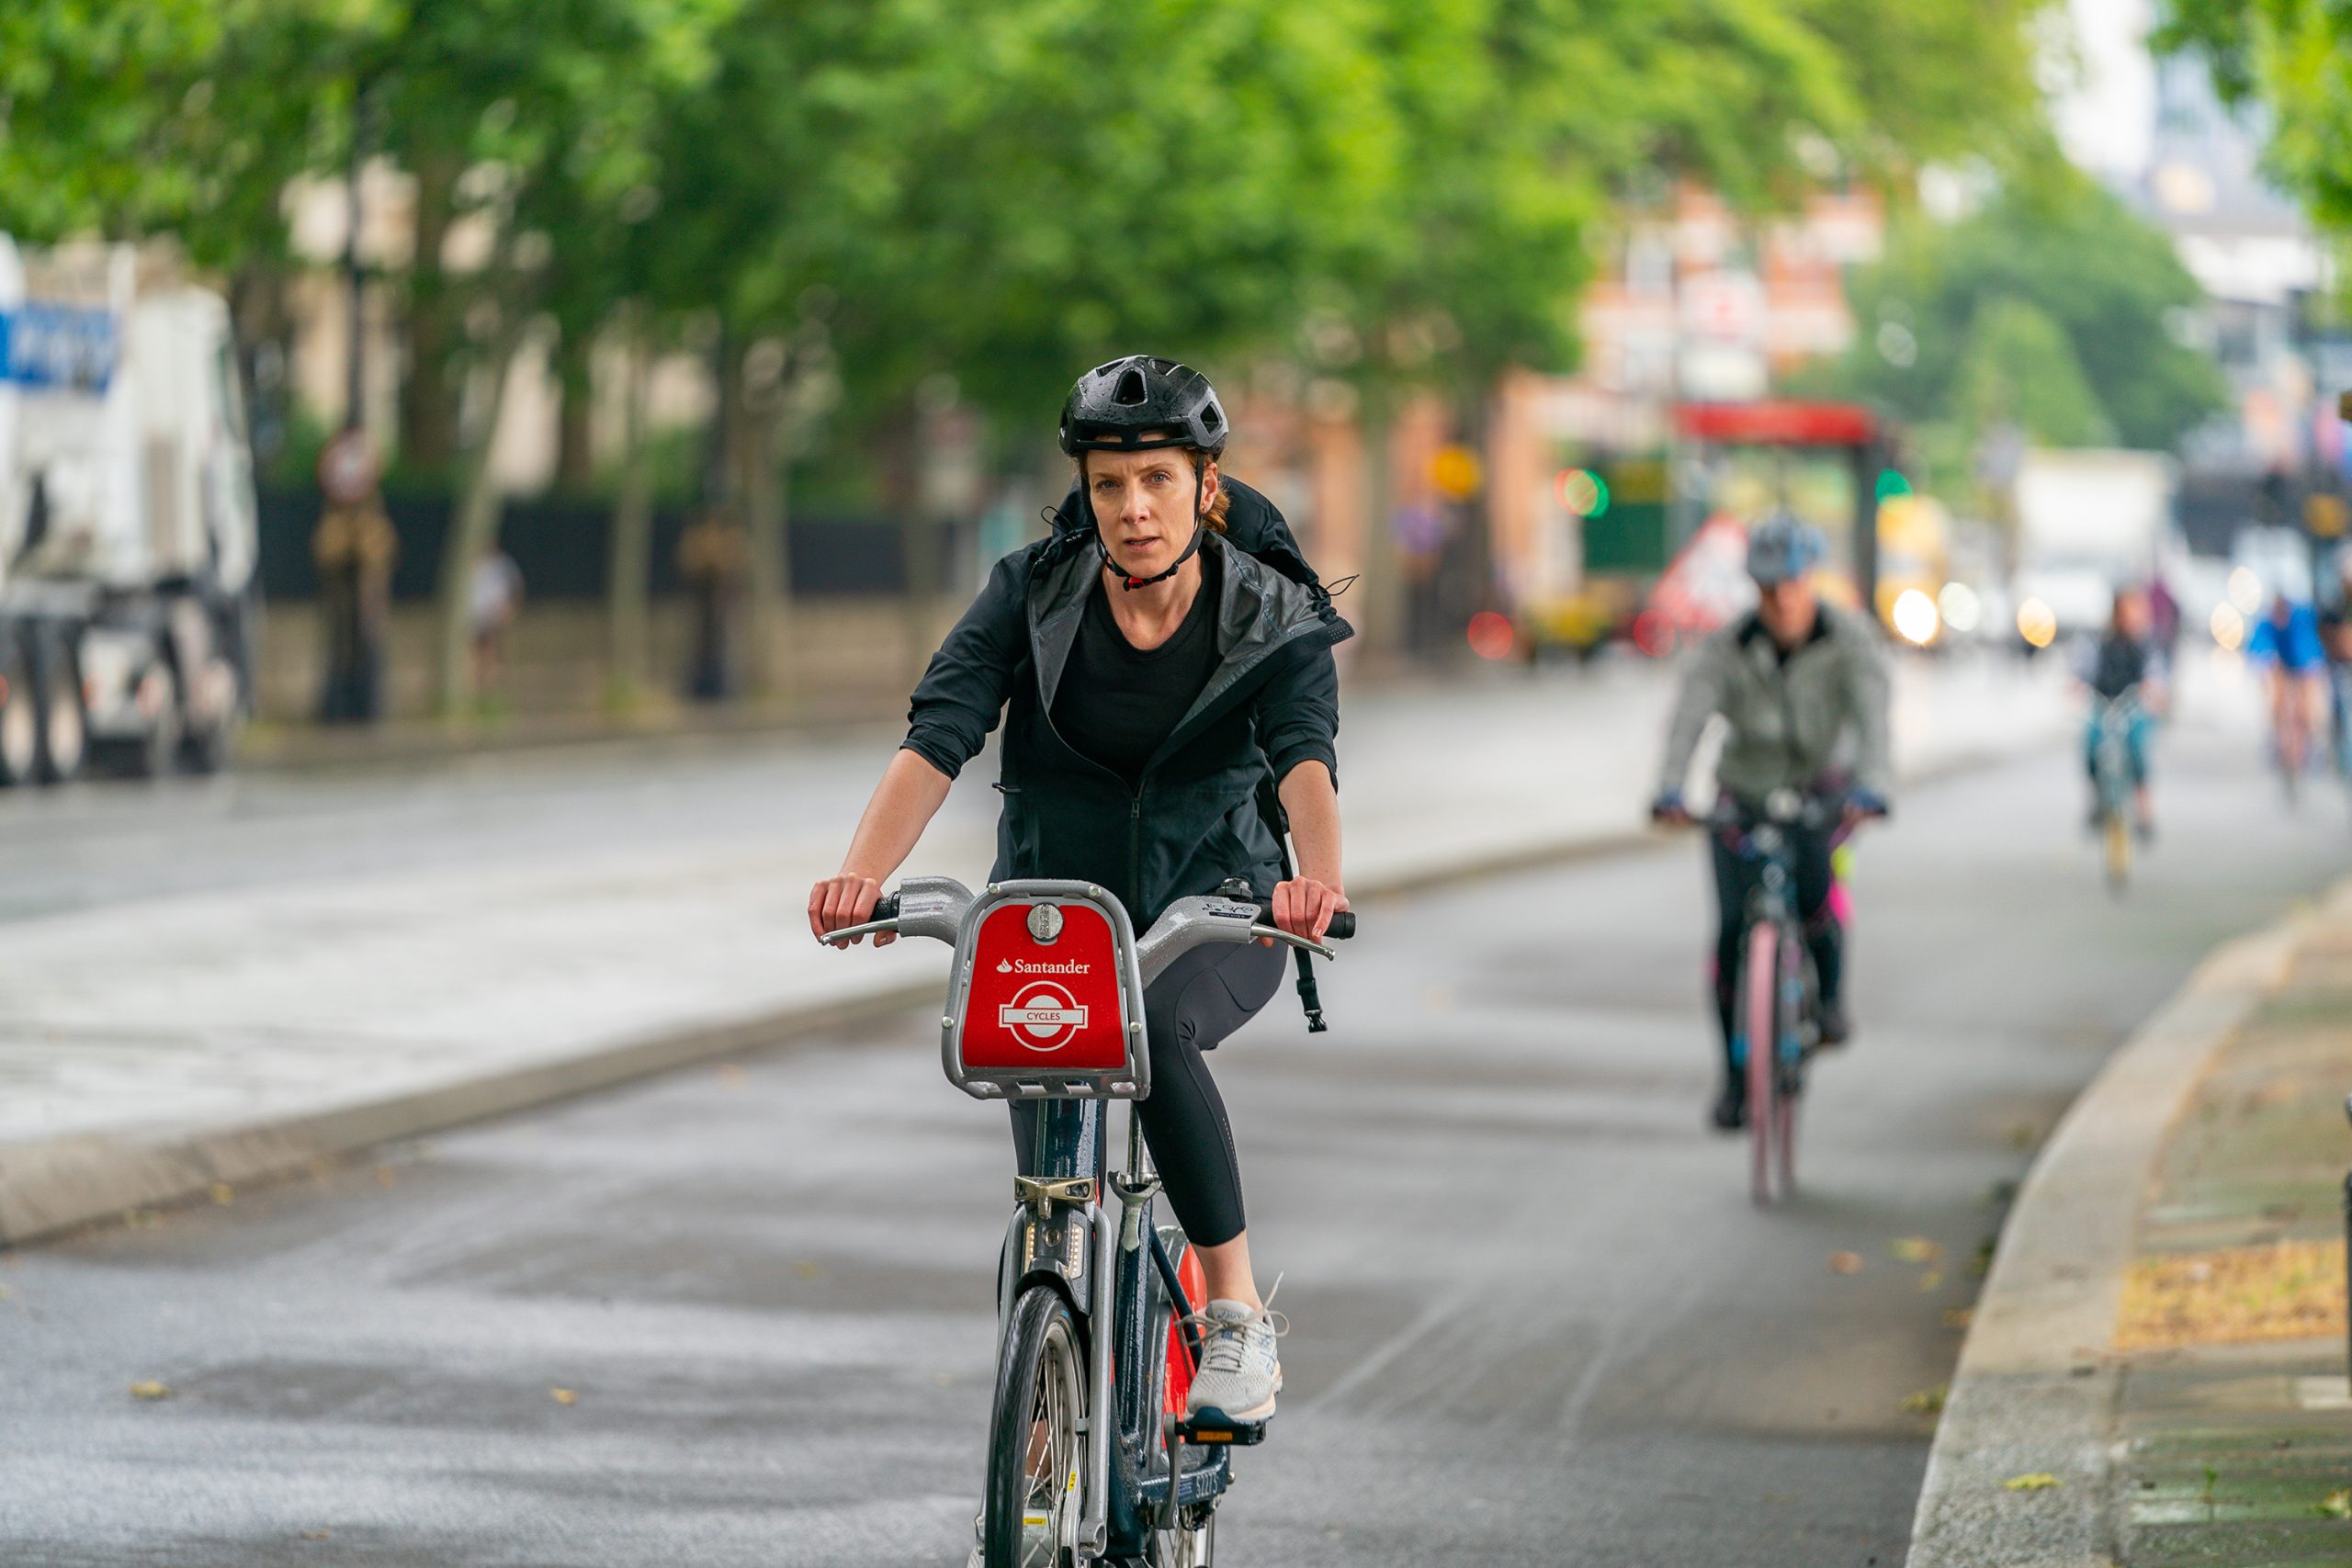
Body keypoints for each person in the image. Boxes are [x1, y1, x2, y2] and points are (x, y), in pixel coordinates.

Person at [808, 355, 1349, 1427]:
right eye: (1110, 485)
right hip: (1055, 908)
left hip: (1220, 905)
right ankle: (1050, 1370)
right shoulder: (1031, 590)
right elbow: (940, 733)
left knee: (1147, 1024)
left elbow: (1304, 759)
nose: (1133, 509)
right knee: (1045, 1105)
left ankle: (1235, 1314)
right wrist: (860, 874)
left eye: (1156, 479)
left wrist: (1315, 886)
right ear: (1085, 493)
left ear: (1206, 485)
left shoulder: (1269, 614)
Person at [1650, 513, 1892, 1132]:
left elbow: (1873, 721)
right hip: (1745, 790)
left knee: (1820, 894)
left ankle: (1830, 1001)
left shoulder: (1850, 640)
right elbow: (1689, 717)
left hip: (1823, 790)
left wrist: (1872, 787)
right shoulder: (1727, 647)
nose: (1780, 598)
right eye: (1766, 586)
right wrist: (1671, 788)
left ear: (1811, 580)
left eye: (1790, 583)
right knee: (1731, 926)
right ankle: (1734, 1081)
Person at [2076, 586, 2165, 838]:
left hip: (2133, 706)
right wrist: (2077, 684)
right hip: (2103, 703)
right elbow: (2083, 667)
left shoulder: (2146, 643)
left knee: (2137, 749)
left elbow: (2155, 672)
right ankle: (2095, 800)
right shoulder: (2101, 641)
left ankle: (2143, 809)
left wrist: (2154, 690)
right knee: (2091, 746)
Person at [2245, 591, 2325, 779]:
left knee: (2310, 699)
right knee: (2273, 693)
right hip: (2281, 664)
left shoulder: (2300, 619)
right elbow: (2258, 647)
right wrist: (2267, 662)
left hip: (2302, 661)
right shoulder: (2266, 622)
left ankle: (2312, 738)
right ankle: (2275, 734)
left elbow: (2309, 649)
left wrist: (2309, 670)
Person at [467, 541, 525, 703]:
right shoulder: (474, 562)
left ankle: (487, 688)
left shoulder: (502, 563)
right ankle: (476, 687)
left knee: (489, 649)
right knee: (475, 649)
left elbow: (516, 586)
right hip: (475, 614)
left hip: (492, 613)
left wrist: (509, 609)